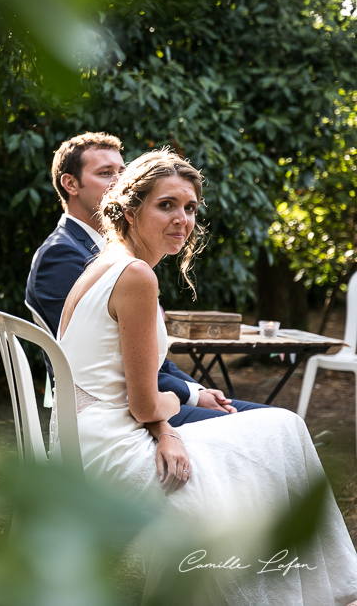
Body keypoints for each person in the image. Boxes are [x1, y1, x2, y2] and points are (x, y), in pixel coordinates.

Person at [55, 149, 357, 603]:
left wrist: (170, 418)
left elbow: (128, 388)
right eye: (167, 205)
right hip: (108, 446)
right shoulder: (136, 275)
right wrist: (174, 414)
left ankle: (309, 587)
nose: (183, 218)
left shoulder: (102, 263)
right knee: (283, 429)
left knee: (277, 431)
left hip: (83, 434)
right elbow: (144, 403)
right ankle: (318, 588)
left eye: (191, 208)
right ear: (131, 209)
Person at [25, 132, 264, 426]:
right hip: (113, 414)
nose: (118, 181)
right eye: (105, 173)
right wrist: (172, 417)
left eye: (121, 172)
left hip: (131, 402)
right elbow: (99, 362)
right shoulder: (63, 255)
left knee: (272, 422)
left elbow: (139, 355)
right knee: (278, 427)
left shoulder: (111, 255)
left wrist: (195, 390)